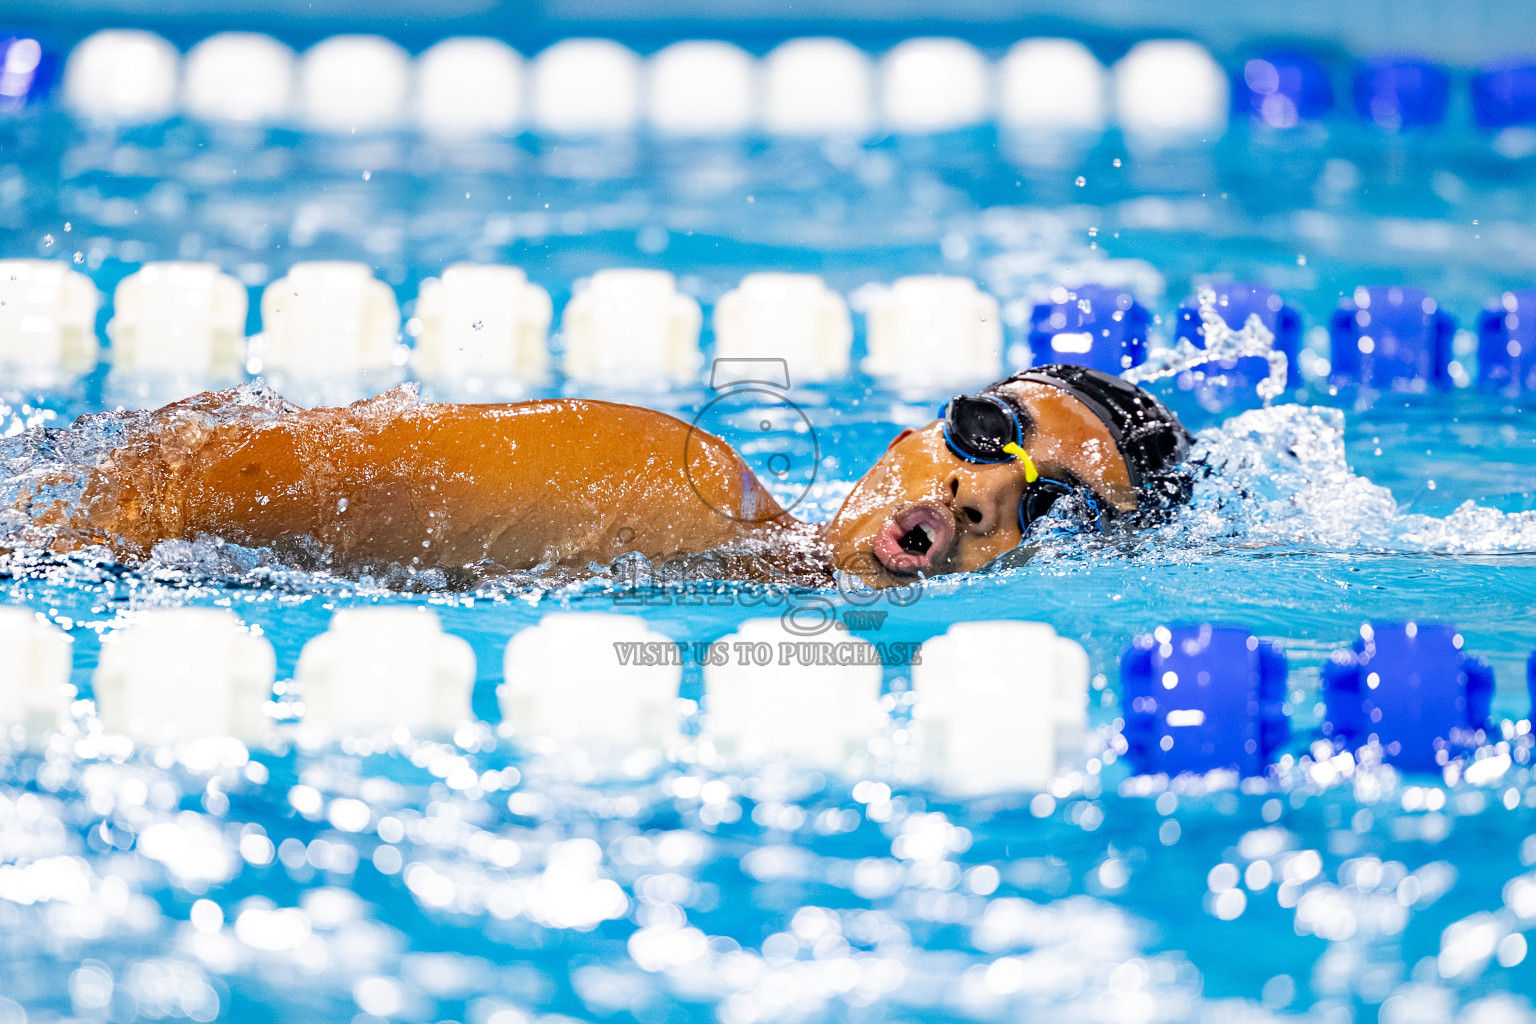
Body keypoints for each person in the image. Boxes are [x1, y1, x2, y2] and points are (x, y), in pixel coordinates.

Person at [12, 365, 1191, 588]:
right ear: (912, 433)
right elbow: (202, 487)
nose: (987, 490)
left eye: (1049, 501)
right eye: (990, 433)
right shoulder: (650, 478)